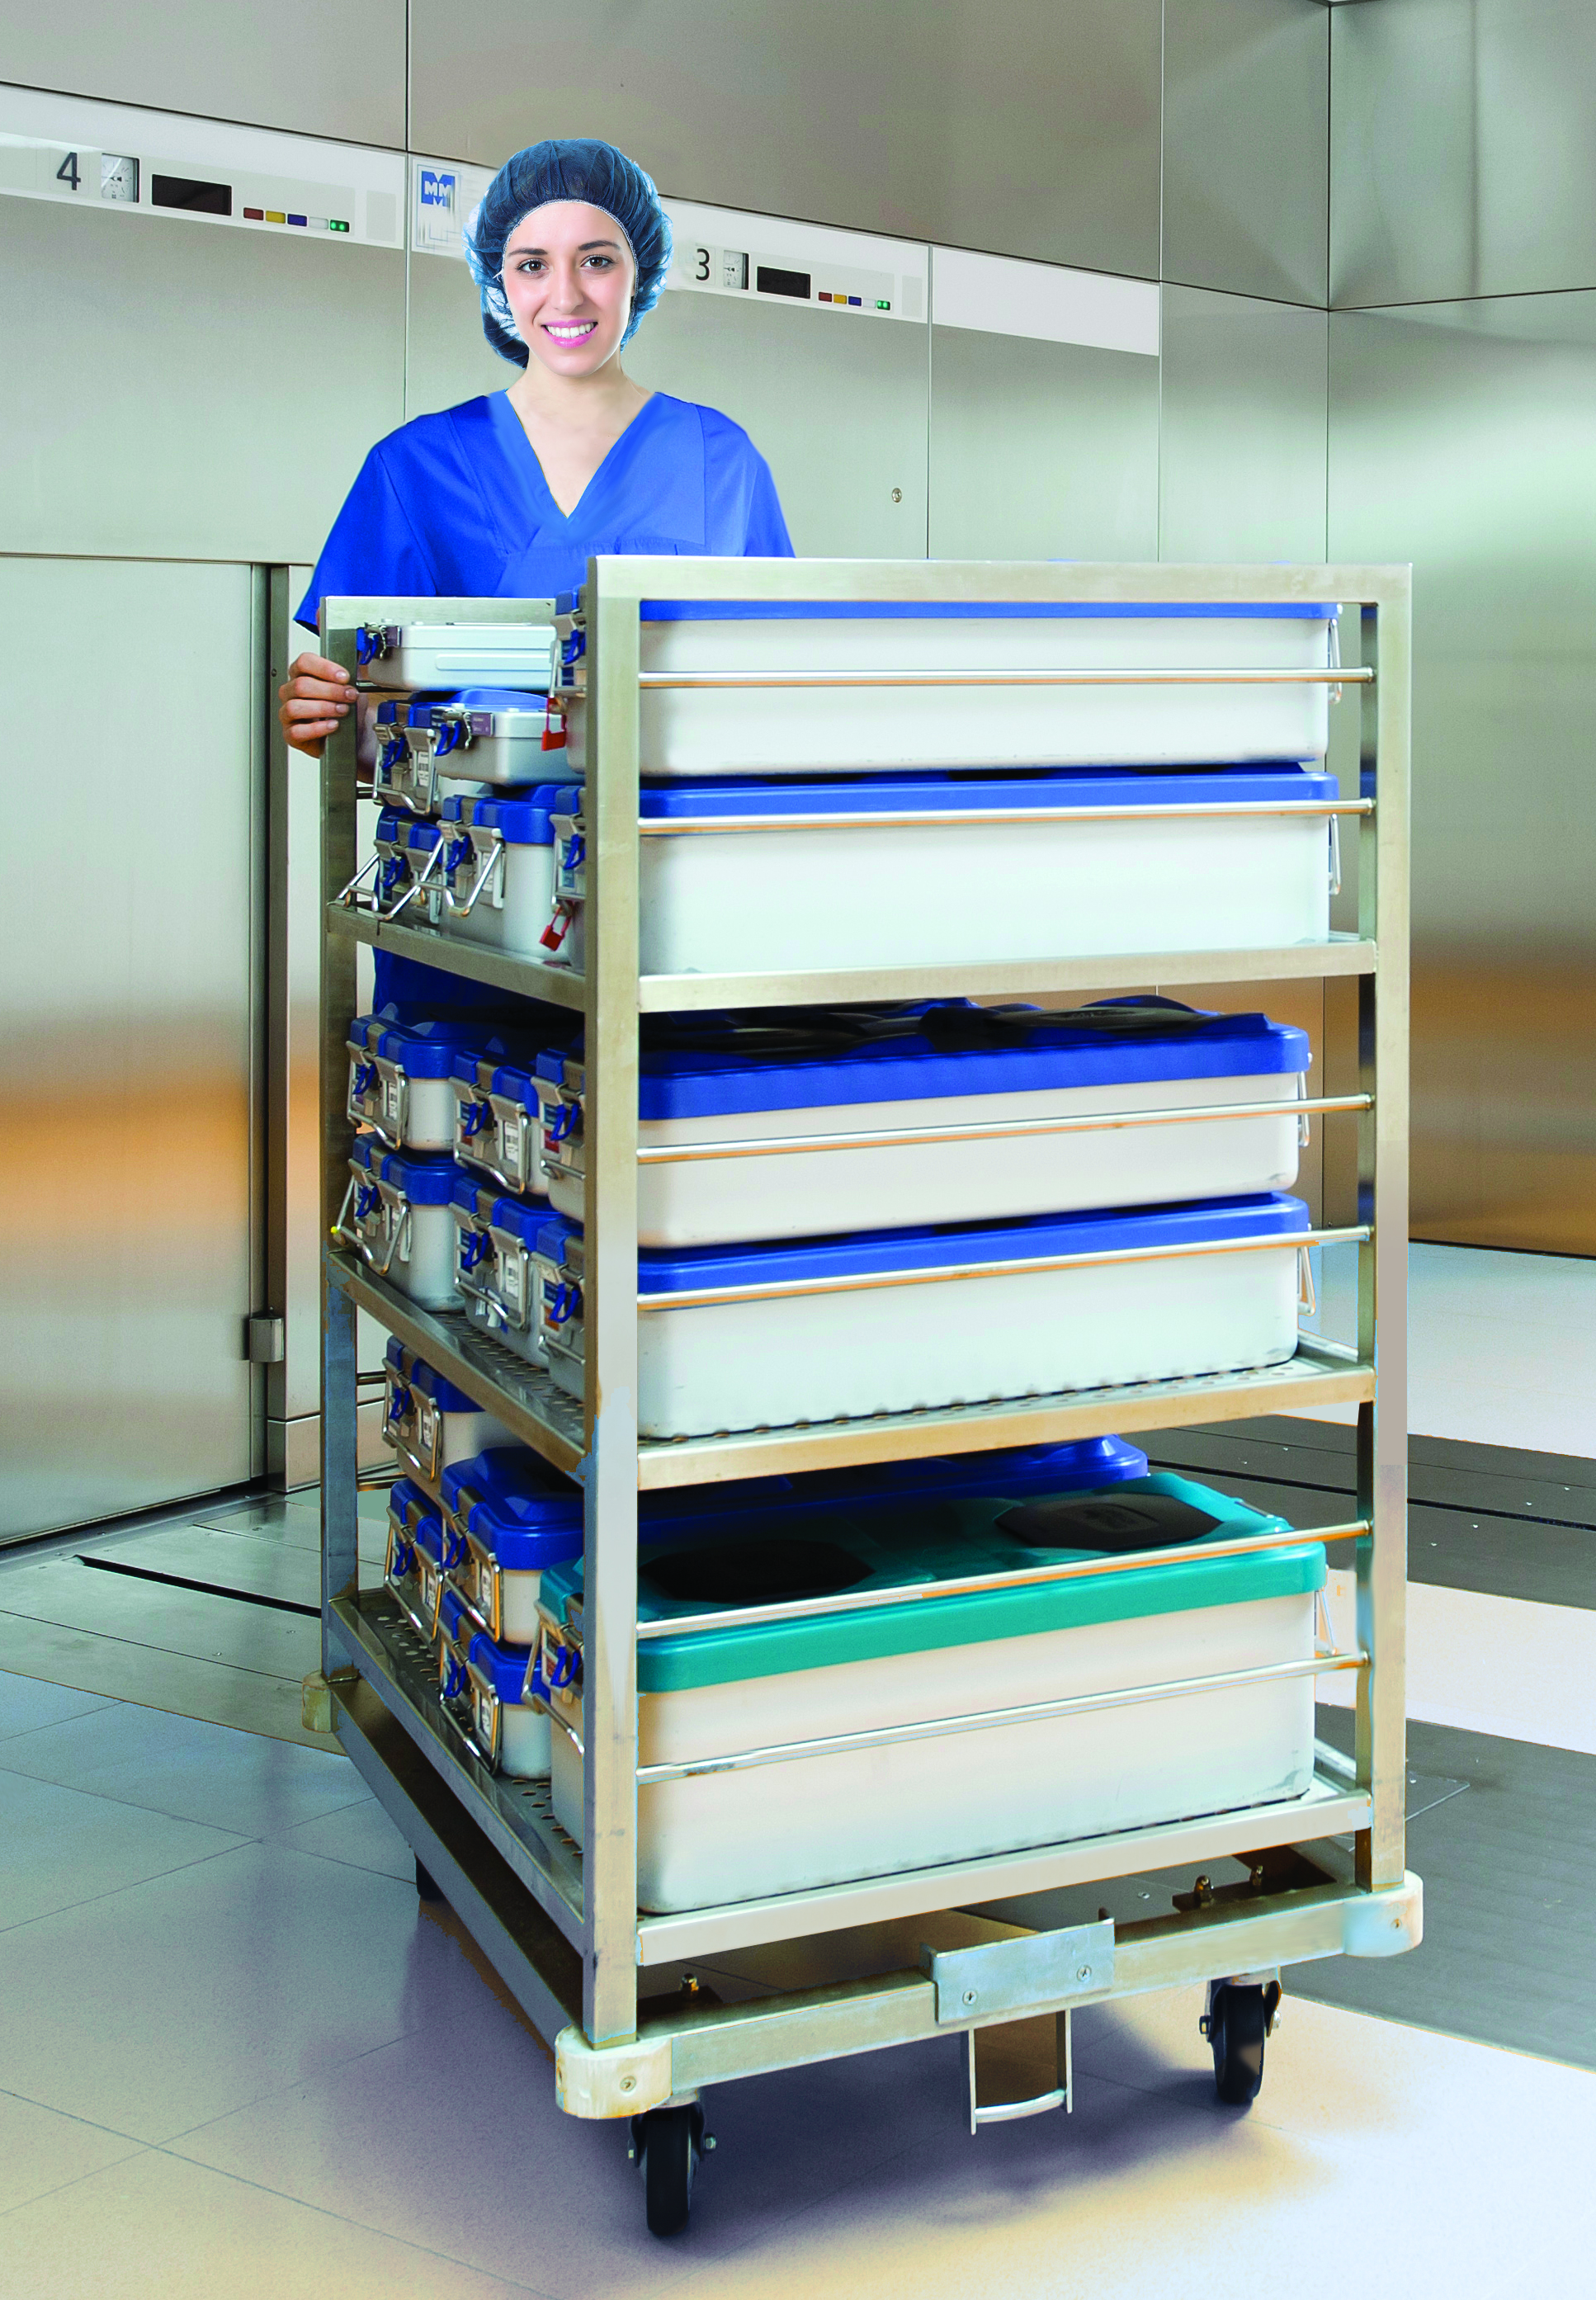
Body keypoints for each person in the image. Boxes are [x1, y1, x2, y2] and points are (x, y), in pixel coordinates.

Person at [278, 136, 793, 760]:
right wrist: (328, 720)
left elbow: (773, 685)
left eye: (597, 261)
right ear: (500, 282)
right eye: (532, 264)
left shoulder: (721, 461)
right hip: (480, 854)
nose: (567, 295)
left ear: (642, 273)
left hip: (670, 846)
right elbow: (365, 717)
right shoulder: (415, 467)